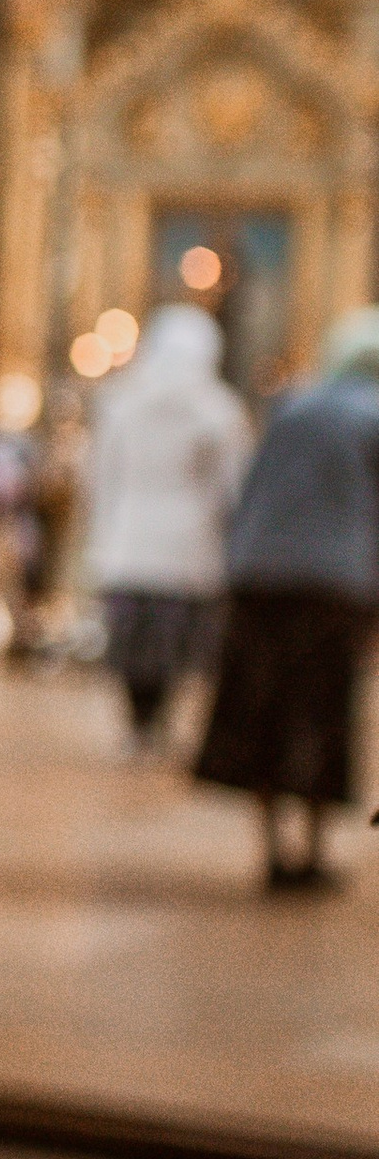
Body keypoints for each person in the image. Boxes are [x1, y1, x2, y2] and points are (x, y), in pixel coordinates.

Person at [195, 308, 379, 889]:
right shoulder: (373, 417)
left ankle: (272, 849)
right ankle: (314, 849)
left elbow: (250, 490)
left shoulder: (292, 405)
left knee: (265, 709)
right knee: (324, 713)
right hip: (335, 586)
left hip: (260, 578)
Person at [80, 302, 251, 744]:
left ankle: (139, 720)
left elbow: (100, 475)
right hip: (189, 546)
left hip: (129, 540)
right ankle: (155, 719)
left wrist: (98, 535)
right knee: (172, 643)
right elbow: (233, 484)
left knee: (135, 642)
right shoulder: (220, 410)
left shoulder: (121, 401)